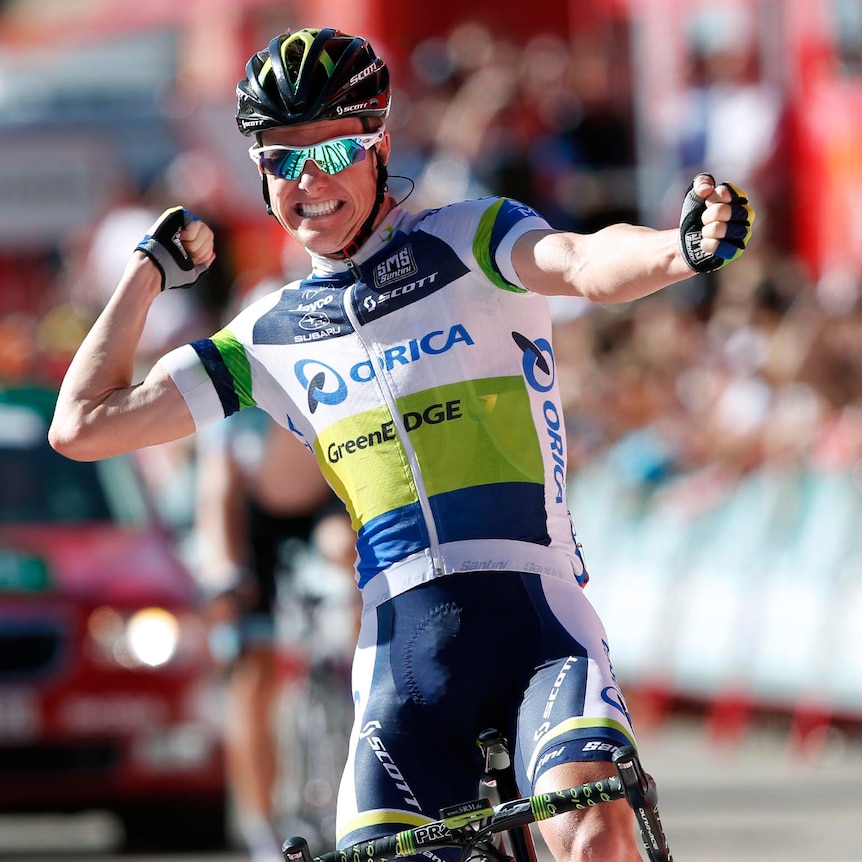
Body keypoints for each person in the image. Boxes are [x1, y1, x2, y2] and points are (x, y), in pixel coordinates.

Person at [49, 27, 754, 862]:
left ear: (380, 143)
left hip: (538, 627)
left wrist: (679, 250)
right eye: (282, 159)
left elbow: (583, 259)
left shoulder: (470, 240)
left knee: (594, 830)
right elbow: (83, 426)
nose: (309, 181)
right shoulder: (267, 336)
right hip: (402, 665)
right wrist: (146, 269)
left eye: (335, 148)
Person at [195, 406, 352, 862]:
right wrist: (223, 575)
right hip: (253, 523)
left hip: (323, 510)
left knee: (350, 555)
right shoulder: (236, 401)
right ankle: (261, 826)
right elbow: (216, 495)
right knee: (254, 676)